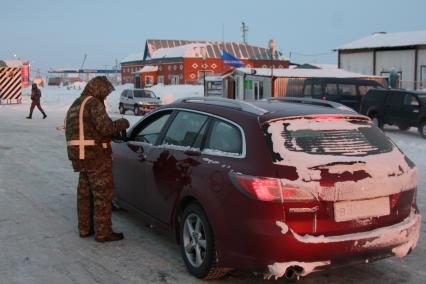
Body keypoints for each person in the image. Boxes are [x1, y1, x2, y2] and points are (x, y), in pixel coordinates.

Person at [65, 76, 130, 242]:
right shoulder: (94, 103)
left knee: (85, 194)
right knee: (102, 194)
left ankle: (85, 229)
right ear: (98, 88)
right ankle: (103, 233)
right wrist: (123, 123)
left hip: (80, 157)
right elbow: (106, 128)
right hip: (96, 157)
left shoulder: (77, 104)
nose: (106, 95)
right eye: (105, 92)